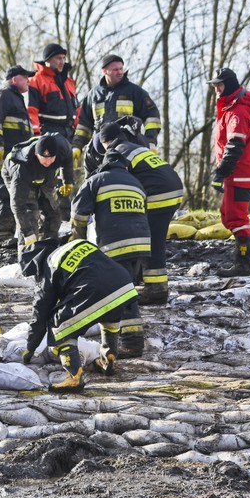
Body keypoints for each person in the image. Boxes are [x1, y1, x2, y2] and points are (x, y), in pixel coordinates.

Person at [20, 238, 139, 392]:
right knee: (110, 316)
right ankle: (108, 358)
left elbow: (40, 312)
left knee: (59, 324)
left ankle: (74, 377)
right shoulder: (76, 244)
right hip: (124, 284)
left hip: (94, 289)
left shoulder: (50, 263)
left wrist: (30, 347)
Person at [93, 120, 184, 305]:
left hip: (158, 193)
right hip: (174, 189)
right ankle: (149, 281)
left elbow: (113, 179)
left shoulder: (115, 152)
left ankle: (156, 290)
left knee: (149, 240)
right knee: (153, 238)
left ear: (105, 142)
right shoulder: (134, 146)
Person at [70, 149, 150, 358]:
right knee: (129, 291)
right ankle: (133, 341)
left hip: (116, 246)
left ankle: (131, 345)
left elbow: (78, 216)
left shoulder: (96, 181)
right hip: (142, 245)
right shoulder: (136, 182)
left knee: (118, 295)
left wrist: (77, 246)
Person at [207, 67, 250, 276]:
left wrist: (220, 173)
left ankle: (244, 262)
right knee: (230, 215)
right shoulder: (245, 105)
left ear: (229, 85)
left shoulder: (236, 111)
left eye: (219, 85)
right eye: (214, 86)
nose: (216, 90)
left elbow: (235, 145)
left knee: (235, 219)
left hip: (239, 174)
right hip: (249, 172)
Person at [0, 65, 35, 249]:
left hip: (12, 162)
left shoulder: (16, 100)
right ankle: (0, 236)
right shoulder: (3, 95)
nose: (28, 80)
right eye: (25, 77)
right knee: (2, 196)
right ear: (14, 79)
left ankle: (6, 235)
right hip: (0, 160)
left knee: (12, 196)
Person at [72, 54, 161, 161]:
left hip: (128, 150)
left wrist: (150, 142)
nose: (119, 72)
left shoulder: (135, 92)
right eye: (115, 69)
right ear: (104, 71)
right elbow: (84, 125)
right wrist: (77, 146)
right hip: (100, 151)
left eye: (121, 69)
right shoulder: (93, 96)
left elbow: (152, 117)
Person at [1, 134, 74, 249]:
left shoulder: (62, 148)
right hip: (24, 177)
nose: (48, 161)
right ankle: (26, 254)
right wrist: (27, 233)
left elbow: (69, 157)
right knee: (30, 215)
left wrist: (68, 180)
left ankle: (49, 249)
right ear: (36, 153)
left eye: (51, 158)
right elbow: (18, 206)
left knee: (54, 214)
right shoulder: (21, 168)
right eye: (44, 157)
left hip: (45, 177)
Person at [28, 43, 79, 141]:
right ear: (48, 60)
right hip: (48, 134)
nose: (62, 62)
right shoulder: (36, 80)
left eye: (64, 58)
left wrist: (80, 136)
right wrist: (36, 136)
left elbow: (77, 111)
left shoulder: (69, 82)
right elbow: (31, 111)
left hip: (70, 135)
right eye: (58, 58)